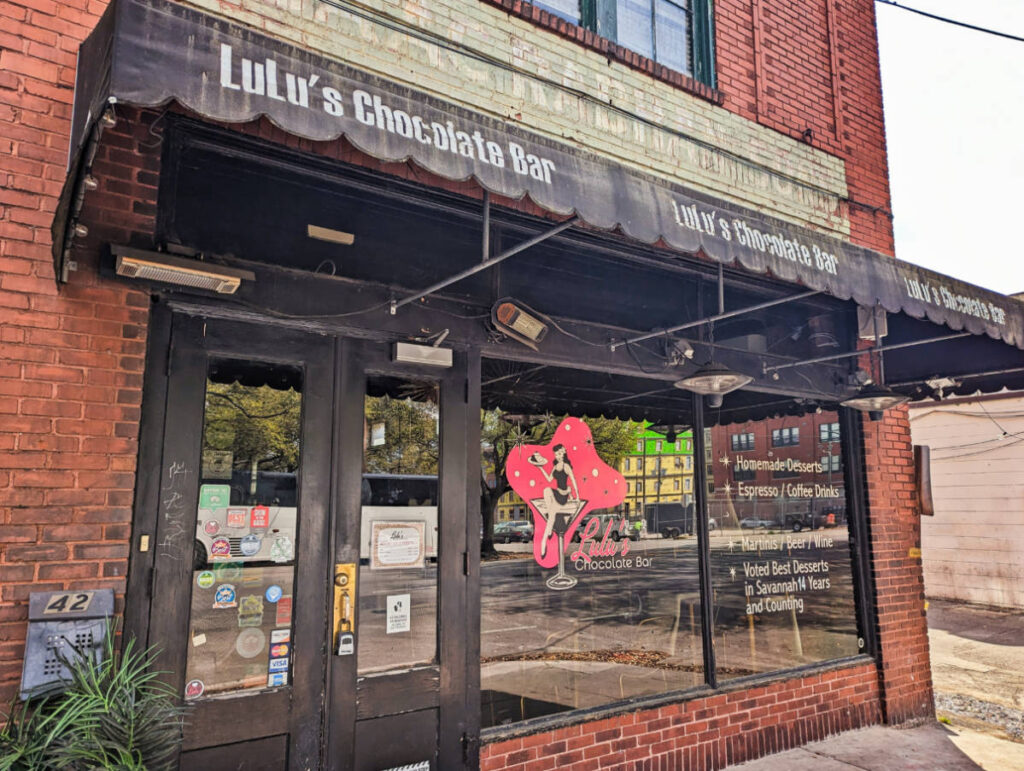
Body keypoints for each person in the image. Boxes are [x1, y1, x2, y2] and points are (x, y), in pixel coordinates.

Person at [537, 444, 579, 557]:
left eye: (560, 453)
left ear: (563, 453)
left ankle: (544, 540)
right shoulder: (555, 467)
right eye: (556, 454)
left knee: (551, 515)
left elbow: (573, 480)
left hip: (563, 496)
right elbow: (549, 479)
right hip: (557, 493)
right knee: (546, 490)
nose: (558, 456)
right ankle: (546, 536)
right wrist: (541, 468)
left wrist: (577, 496)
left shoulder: (566, 466)